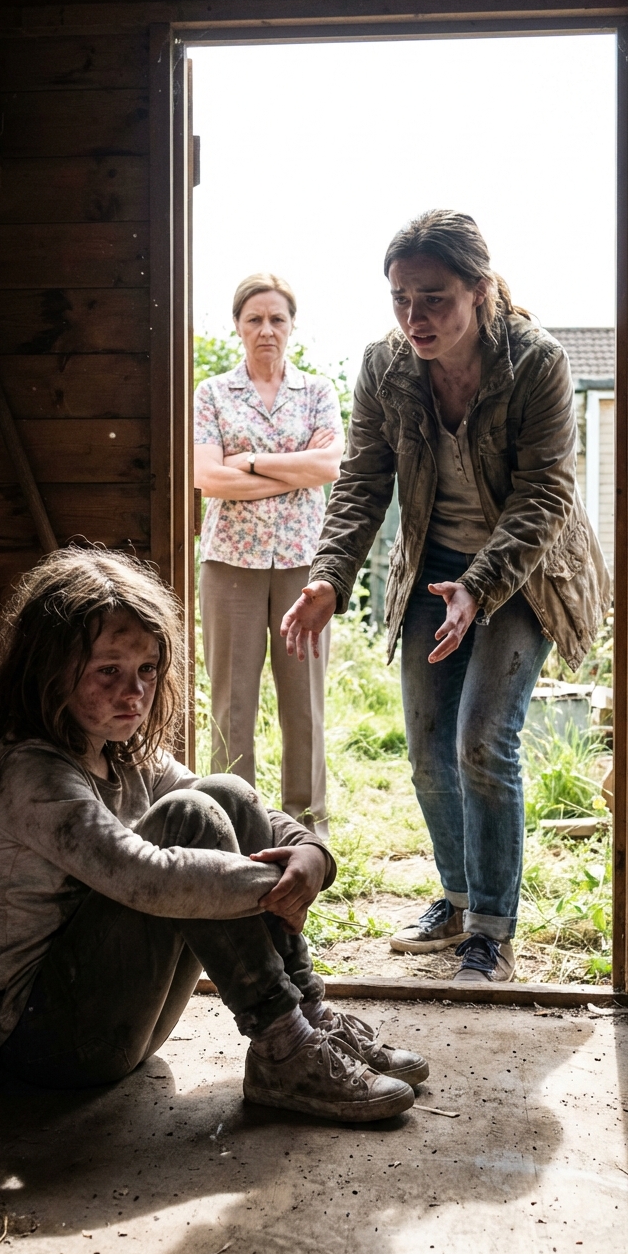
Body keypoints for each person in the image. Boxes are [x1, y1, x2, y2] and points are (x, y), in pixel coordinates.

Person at [0, 546, 426, 1121]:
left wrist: (311, 850)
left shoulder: (118, 751)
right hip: (45, 1041)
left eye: (147, 670)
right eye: (109, 671)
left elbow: (226, 799)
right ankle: (282, 1045)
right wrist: (276, 883)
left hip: (120, 1022)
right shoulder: (30, 772)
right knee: (191, 819)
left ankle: (306, 1017)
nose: (134, 692)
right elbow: (147, 879)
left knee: (223, 793)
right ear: (50, 669)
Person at [281, 210, 610, 986]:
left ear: (481, 290)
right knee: (430, 749)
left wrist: (480, 586)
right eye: (400, 298)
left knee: (482, 742)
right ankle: (457, 899)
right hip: (432, 568)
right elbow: (361, 483)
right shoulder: (385, 366)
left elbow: (545, 492)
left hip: (525, 570)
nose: (414, 317)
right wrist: (329, 575)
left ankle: (491, 931)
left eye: (434, 297)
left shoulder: (537, 363)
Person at [194, 273, 344, 837]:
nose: (266, 330)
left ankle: (307, 830)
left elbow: (329, 466)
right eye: (254, 318)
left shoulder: (319, 391)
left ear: (291, 328)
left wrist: (249, 461)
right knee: (231, 703)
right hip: (230, 563)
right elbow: (207, 477)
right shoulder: (210, 392)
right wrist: (291, 469)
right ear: (237, 326)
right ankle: (231, 829)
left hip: (305, 563)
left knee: (303, 703)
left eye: (276, 319)